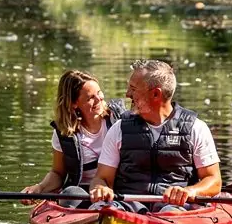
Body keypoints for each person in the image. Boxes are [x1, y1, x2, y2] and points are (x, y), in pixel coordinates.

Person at [90, 58, 221, 211]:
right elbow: (101, 178)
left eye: (133, 88)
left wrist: (190, 191)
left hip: (175, 209)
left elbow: (214, 180)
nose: (127, 94)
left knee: (170, 213)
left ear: (155, 94)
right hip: (127, 207)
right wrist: (101, 188)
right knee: (107, 211)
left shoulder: (196, 128)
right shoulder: (119, 128)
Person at [23, 70, 127, 205]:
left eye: (99, 92)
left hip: (116, 190)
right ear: (73, 103)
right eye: (90, 98)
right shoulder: (64, 133)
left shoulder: (119, 120)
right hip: (83, 195)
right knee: (70, 193)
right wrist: (40, 188)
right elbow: (58, 173)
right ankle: (91, 215)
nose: (99, 99)